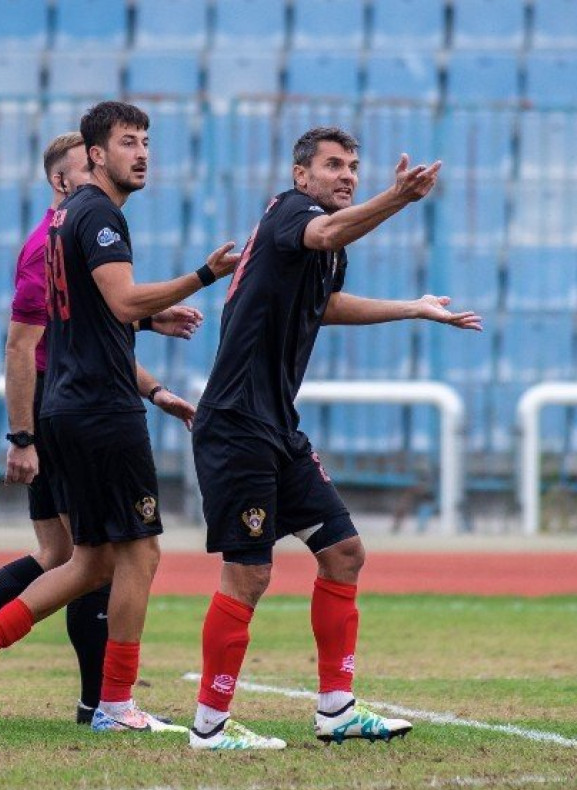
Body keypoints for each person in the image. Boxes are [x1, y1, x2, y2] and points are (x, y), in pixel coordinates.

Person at [0, 101, 241, 732]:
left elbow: (102, 313)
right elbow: (123, 297)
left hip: (70, 403)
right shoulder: (99, 213)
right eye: (128, 142)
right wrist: (203, 275)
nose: (142, 153)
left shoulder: (65, 217)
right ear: (96, 154)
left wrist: (152, 373)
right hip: (100, 407)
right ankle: (114, 703)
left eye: (147, 142)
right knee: (142, 554)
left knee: (93, 560)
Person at [187, 127, 480, 750]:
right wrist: (397, 198)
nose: (346, 175)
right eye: (332, 165)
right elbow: (324, 233)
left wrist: (413, 307)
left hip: (275, 425)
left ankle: (337, 710)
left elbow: (325, 303)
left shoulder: (330, 244)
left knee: (344, 552)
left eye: (352, 166)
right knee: (249, 574)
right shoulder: (296, 213)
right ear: (301, 175)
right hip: (237, 421)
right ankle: (210, 726)